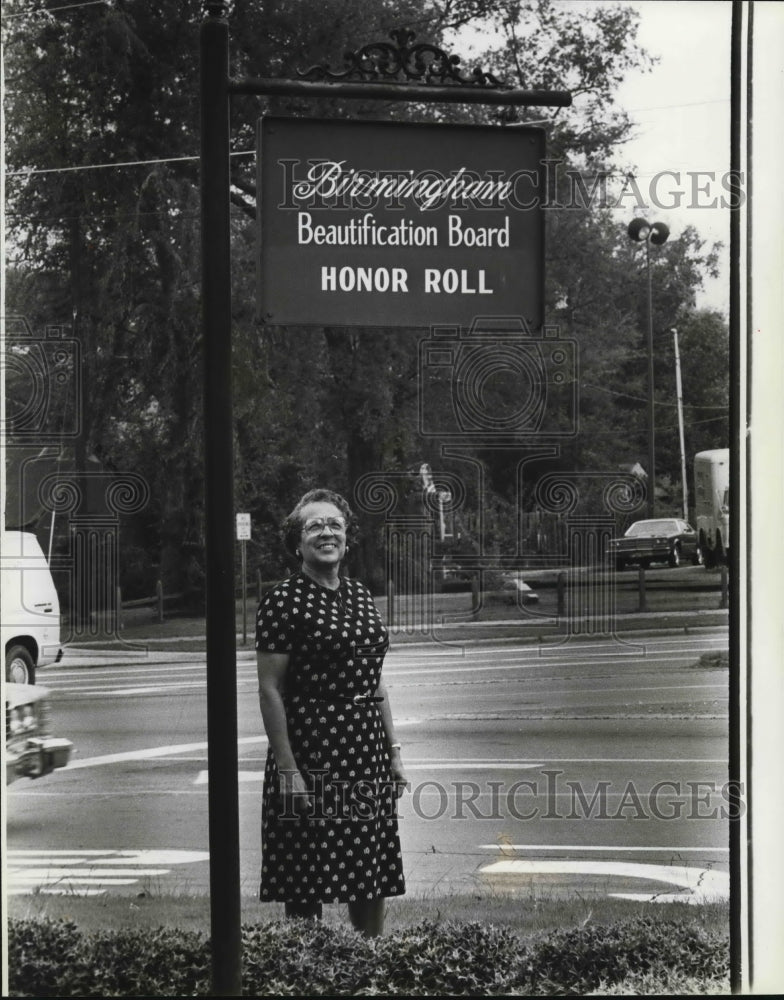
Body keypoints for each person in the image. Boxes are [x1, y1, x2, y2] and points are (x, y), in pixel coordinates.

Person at [256, 487, 407, 935]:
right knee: (306, 873)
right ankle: (306, 973)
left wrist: (393, 751)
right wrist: (288, 770)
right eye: (314, 525)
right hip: (311, 748)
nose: (327, 532)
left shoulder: (361, 596)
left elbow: (372, 677)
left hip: (364, 750)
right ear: (296, 543)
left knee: (370, 870)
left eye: (335, 525)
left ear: (347, 537)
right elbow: (269, 689)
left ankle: (371, 966)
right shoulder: (282, 601)